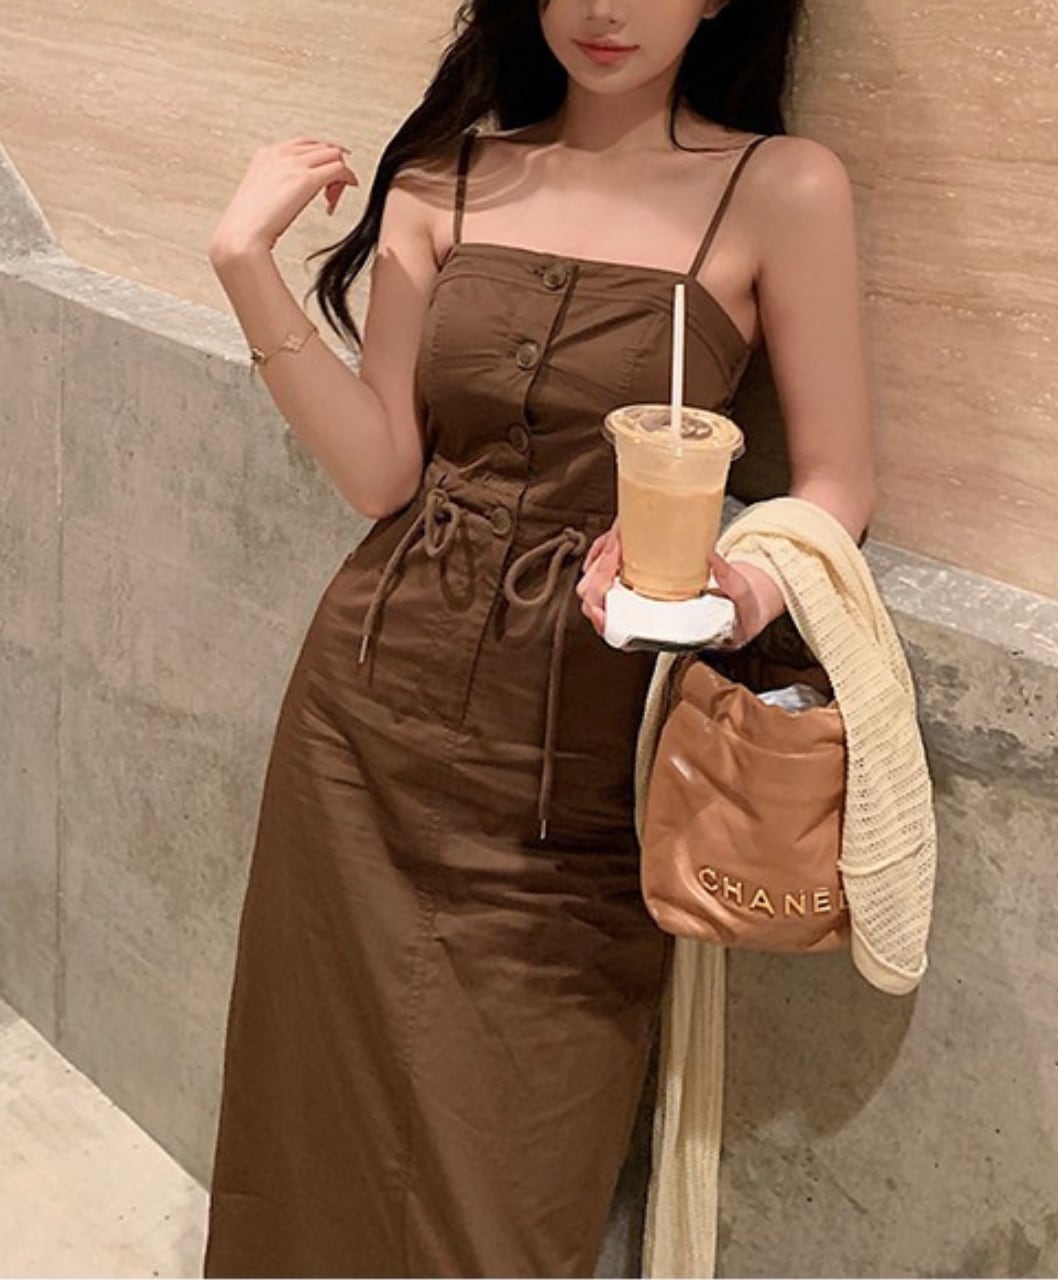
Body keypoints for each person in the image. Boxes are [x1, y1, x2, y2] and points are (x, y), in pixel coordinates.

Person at [201, 0, 875, 1275]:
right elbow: (380, 472)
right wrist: (245, 264)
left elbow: (837, 480)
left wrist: (740, 589)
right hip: (365, 716)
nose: (604, 9)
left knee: (512, 1170)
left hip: (584, 742)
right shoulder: (442, 176)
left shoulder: (780, 187)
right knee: (313, 1116)